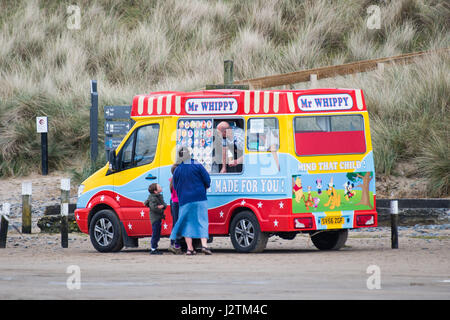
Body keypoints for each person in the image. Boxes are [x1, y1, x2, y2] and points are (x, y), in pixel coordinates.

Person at [170, 147, 212, 255]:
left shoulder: (178, 169)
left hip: (185, 199)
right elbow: (207, 178)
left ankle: (190, 249)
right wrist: (204, 187)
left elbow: (175, 185)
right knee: (202, 221)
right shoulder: (197, 164)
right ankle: (204, 246)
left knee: (187, 223)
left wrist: (181, 194)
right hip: (199, 197)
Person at [144, 183, 167, 255]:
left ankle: (155, 247)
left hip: (158, 218)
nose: (161, 187)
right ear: (155, 191)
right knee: (155, 233)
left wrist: (162, 206)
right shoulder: (153, 198)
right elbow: (153, 208)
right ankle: (153, 249)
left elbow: (164, 204)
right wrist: (159, 208)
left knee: (157, 233)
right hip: (155, 218)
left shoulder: (159, 196)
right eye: (159, 187)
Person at [168, 164, 182, 254]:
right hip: (179, 203)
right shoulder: (179, 181)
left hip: (173, 203)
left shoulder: (171, 180)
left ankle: (172, 242)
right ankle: (176, 244)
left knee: (175, 222)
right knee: (178, 223)